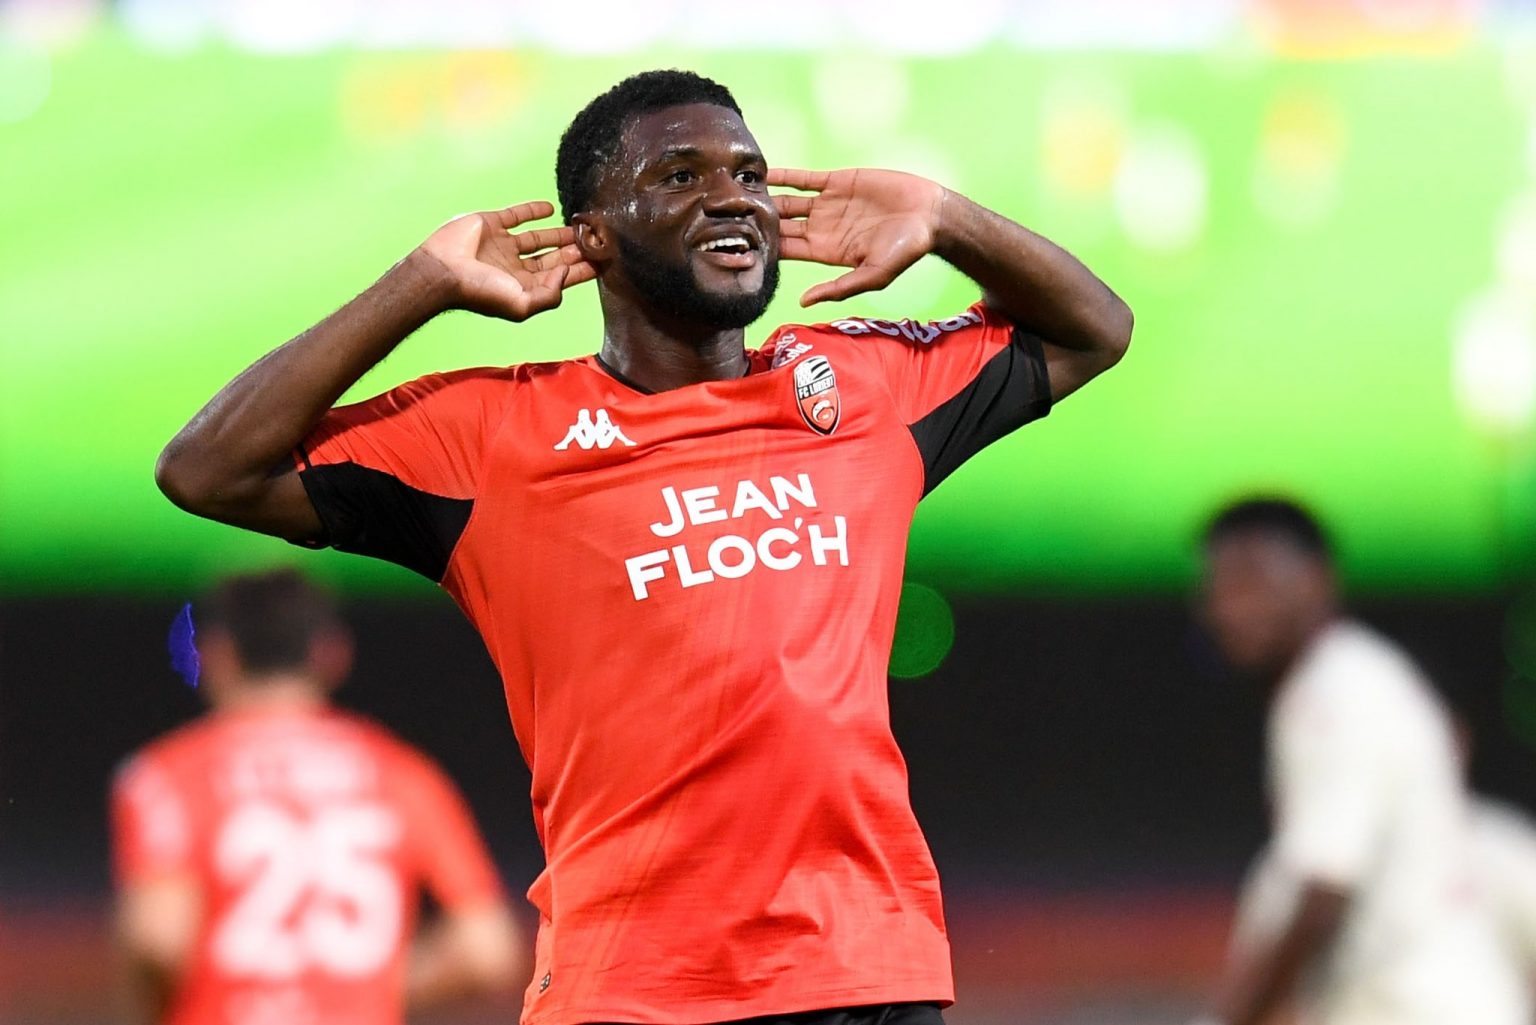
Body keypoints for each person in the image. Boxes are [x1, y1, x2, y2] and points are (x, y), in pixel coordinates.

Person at [154, 69, 1133, 1025]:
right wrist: (423, 285)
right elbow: (206, 470)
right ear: (593, 236)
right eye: (679, 176)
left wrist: (944, 216)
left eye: (748, 173)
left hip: (862, 975)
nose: (732, 197)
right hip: (630, 989)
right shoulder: (495, 438)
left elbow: (1095, 329)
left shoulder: (860, 386)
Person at [111, 568, 523, 1025]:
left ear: (214, 655)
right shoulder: (402, 773)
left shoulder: (165, 776)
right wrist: (356, 993)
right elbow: (487, 949)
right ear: (331, 655)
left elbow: (159, 939)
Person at [1192, 498, 1527, 1025]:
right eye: (1220, 588)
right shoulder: (1355, 674)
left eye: (1253, 582)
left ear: (1315, 580)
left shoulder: (1334, 691)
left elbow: (1324, 889)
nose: (1232, 607)